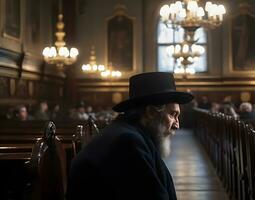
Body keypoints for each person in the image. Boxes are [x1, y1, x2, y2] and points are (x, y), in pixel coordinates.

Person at [66, 72, 193, 200]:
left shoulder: (128, 132)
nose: (177, 125)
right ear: (151, 112)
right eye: (172, 115)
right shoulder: (127, 142)